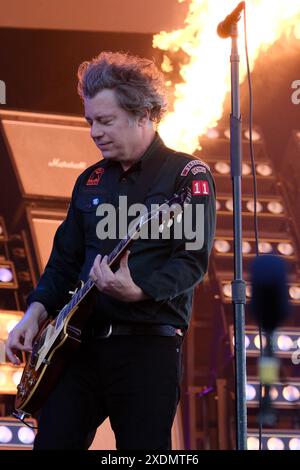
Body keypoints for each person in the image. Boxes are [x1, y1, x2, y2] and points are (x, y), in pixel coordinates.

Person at [6, 51, 216, 450]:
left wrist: (139, 289)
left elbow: (192, 262)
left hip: (146, 349)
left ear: (143, 115)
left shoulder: (186, 176)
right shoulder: (90, 180)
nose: (94, 132)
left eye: (105, 121)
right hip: (77, 350)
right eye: (90, 121)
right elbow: (64, 264)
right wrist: (33, 315)